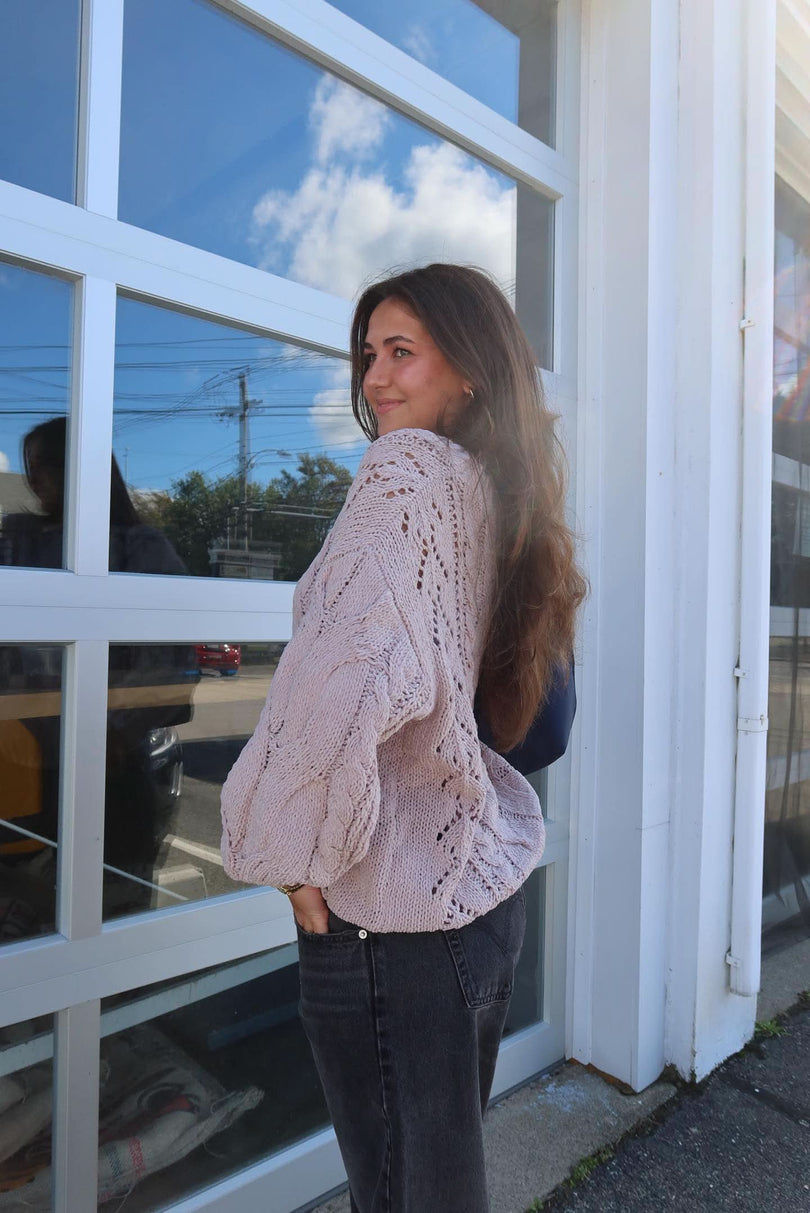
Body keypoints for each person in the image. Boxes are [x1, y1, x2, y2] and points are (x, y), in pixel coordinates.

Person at [220, 263, 586, 1212]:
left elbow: (337, 692)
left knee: (401, 1193)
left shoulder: (407, 477)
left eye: (401, 352)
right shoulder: (492, 492)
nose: (376, 377)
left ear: (465, 371)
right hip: (473, 899)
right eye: (368, 354)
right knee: (438, 1180)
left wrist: (297, 864)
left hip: (392, 919)